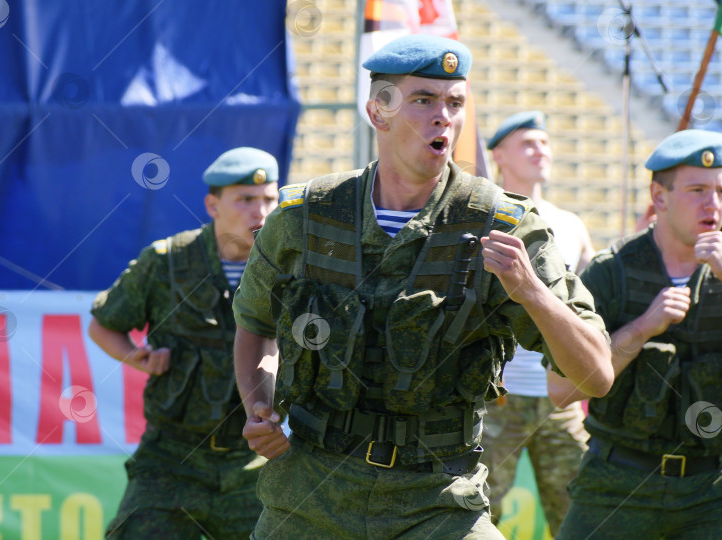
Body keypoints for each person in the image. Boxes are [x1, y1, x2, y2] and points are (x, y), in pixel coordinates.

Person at [232, 34, 613, 539]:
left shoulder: (503, 224)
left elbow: (594, 377)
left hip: (436, 501)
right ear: (378, 111)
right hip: (308, 494)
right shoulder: (305, 216)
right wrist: (259, 403)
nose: (444, 118)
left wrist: (532, 292)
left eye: (455, 103)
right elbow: (256, 324)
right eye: (424, 101)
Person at [550, 130, 722, 539]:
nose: (714, 204)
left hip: (716, 487)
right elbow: (562, 389)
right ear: (659, 197)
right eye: (697, 190)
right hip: (616, 483)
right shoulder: (610, 272)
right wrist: (640, 329)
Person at [89, 147, 280, 539]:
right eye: (245, 200)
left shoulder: (290, 266)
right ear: (213, 204)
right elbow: (103, 325)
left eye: (268, 200)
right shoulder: (167, 262)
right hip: (172, 460)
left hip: (259, 462)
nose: (259, 212)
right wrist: (137, 357)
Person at [481, 110, 594, 534]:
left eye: (544, 142)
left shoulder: (570, 225)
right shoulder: (483, 215)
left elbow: (587, 306)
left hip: (557, 399)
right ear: (499, 156)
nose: (540, 150)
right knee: (477, 511)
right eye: (528, 142)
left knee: (578, 513)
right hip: (497, 397)